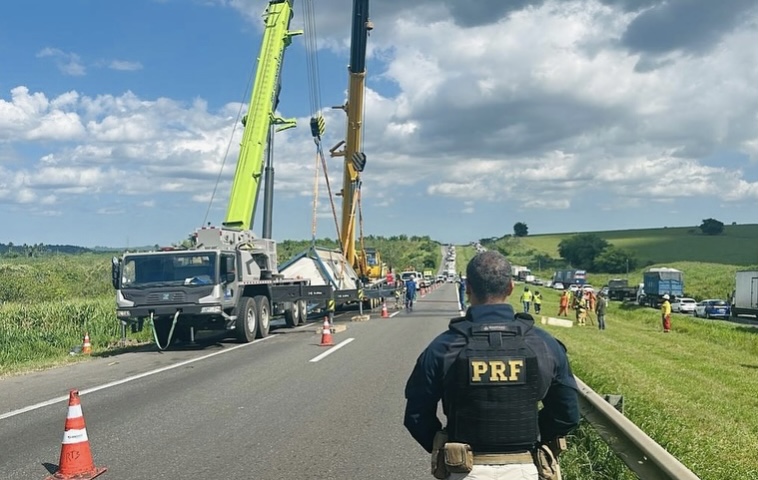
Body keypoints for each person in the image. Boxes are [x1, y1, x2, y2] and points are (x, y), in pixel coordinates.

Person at [403, 251, 580, 480]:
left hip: (464, 470)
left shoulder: (444, 346)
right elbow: (567, 414)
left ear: (467, 288)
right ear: (511, 287)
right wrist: (535, 439)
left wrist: (445, 446)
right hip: (526, 468)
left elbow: (417, 415)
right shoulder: (544, 345)